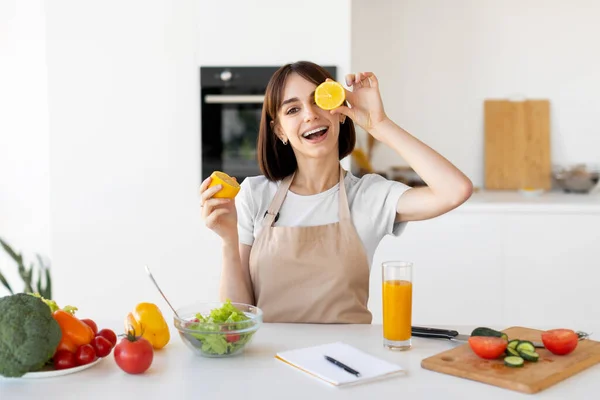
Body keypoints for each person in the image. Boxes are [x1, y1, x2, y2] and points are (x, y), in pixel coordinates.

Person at [199, 61, 472, 324]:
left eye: (318, 100)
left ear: (339, 111)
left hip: (349, 364)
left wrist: (379, 124)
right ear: (279, 130)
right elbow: (236, 319)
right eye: (292, 110)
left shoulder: (369, 197)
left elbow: (455, 191)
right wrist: (228, 239)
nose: (310, 114)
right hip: (270, 363)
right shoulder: (254, 194)